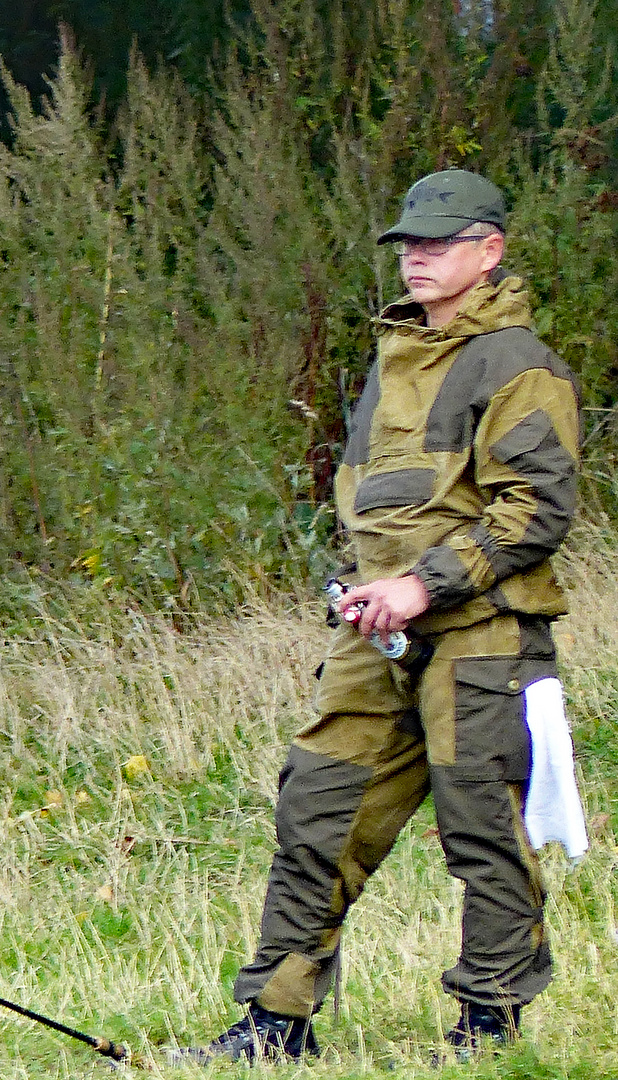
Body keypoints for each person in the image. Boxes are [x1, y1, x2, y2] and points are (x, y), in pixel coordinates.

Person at [179, 169, 584, 1063]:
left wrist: (424, 582)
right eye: (409, 244)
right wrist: (368, 586)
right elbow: (379, 505)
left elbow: (535, 510)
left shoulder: (518, 363)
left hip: (484, 636)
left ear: (491, 251)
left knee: (481, 828)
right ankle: (274, 1025)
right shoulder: (395, 355)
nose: (420, 258)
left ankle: (490, 1029)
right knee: (317, 812)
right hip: (376, 634)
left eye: (442, 243)